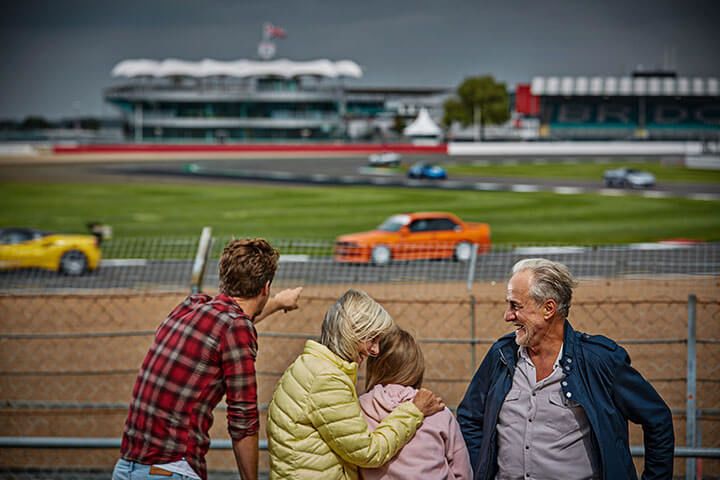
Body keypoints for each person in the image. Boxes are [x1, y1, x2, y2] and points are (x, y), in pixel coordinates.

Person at [457, 258, 674, 480]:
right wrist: (479, 470)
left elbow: (657, 419)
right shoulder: (501, 355)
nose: (507, 315)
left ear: (548, 308)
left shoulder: (599, 360)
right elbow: (470, 418)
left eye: (516, 306)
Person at [112, 238, 302, 480]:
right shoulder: (236, 328)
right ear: (265, 287)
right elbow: (243, 422)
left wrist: (276, 303)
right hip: (170, 469)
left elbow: (226, 323)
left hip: (126, 467)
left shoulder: (192, 307)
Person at [267, 289, 445, 480]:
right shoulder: (327, 380)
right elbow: (368, 452)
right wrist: (414, 411)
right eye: (372, 338)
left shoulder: (309, 367)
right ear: (352, 333)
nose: (375, 350)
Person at [359, 328, 473, 480]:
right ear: (416, 367)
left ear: (374, 366)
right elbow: (463, 472)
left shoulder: (359, 409)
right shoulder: (436, 409)